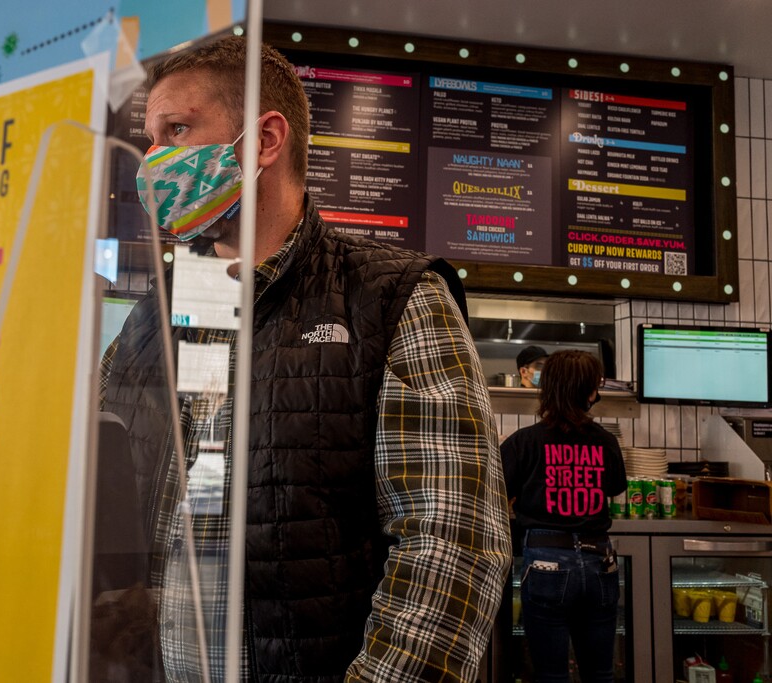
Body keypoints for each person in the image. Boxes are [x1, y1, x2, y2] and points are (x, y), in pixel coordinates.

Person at [99, 36, 511, 681]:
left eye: (177, 131)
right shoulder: (152, 317)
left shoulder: (391, 299)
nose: (153, 161)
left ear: (265, 140)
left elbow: (453, 544)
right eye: (150, 140)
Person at [500, 350, 627, 682]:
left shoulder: (523, 442)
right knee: (600, 674)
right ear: (590, 393)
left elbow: (497, 493)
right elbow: (615, 487)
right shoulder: (606, 441)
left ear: (547, 389)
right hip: (600, 562)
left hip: (547, 564)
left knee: (551, 675)